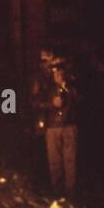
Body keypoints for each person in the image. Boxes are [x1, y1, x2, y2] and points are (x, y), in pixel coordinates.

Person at [36, 56, 79, 197]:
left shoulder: (72, 85)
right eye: (55, 71)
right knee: (55, 163)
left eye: (60, 71)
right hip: (52, 127)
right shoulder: (46, 86)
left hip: (68, 126)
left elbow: (78, 100)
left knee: (70, 161)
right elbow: (36, 103)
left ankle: (70, 195)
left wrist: (65, 86)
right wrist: (51, 104)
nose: (57, 74)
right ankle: (58, 194)